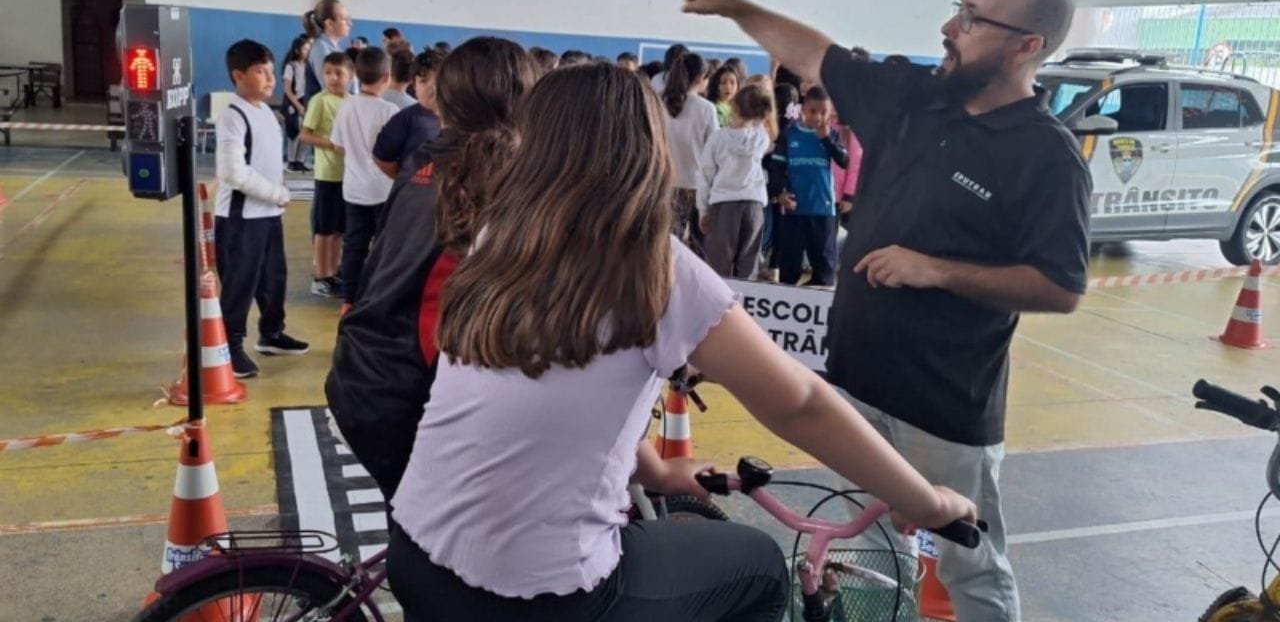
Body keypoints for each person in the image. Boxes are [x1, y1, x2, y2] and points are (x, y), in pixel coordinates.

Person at [386, 62, 977, 621]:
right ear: (647, 151)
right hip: (542, 595)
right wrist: (926, 501)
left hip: (416, 556)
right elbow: (800, 403)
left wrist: (661, 472)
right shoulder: (654, 266)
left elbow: (561, 390)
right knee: (759, 567)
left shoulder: (499, 233)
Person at [672, 0, 1089, 621]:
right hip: (856, 386)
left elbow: (1061, 286)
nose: (950, 27)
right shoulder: (914, 97)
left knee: (972, 563)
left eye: (973, 19)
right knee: (868, 553)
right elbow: (816, 54)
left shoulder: (1046, 157)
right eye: (959, 7)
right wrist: (736, 7)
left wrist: (937, 270)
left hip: (944, 406)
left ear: (1027, 45)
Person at [327, 36, 537, 501]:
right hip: (403, 392)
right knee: (439, 529)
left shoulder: (424, 162)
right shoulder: (497, 184)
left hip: (360, 370)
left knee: (414, 520)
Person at [213, 40, 310, 378]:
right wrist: (275, 193)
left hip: (268, 216)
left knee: (273, 280)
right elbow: (232, 173)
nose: (270, 79)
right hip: (240, 219)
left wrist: (275, 197)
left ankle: (271, 333)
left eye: (271, 71)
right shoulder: (233, 114)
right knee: (240, 284)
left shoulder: (266, 112)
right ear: (238, 76)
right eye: (260, 72)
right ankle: (230, 346)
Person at [332, 47, 399, 305]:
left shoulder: (346, 105)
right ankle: (378, 298)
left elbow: (338, 146)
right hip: (383, 190)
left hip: (353, 190)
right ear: (387, 76)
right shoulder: (389, 110)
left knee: (354, 246)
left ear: (356, 75)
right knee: (384, 246)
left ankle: (349, 300)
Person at [697, 84, 772, 279]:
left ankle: (718, 299)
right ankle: (744, 297)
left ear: (734, 107)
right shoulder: (761, 138)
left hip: (723, 205)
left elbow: (705, 175)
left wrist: (703, 209)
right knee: (749, 263)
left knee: (718, 264)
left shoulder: (717, 138)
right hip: (754, 205)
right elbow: (763, 125)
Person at [776, 86, 847, 286]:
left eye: (823, 112)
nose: (818, 117)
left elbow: (844, 161)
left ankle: (818, 298)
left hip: (823, 209)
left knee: (824, 267)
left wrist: (826, 139)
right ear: (803, 110)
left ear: (830, 113)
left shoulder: (832, 135)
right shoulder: (789, 134)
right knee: (789, 266)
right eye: (813, 111)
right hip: (794, 209)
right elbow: (777, 168)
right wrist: (779, 194)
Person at [300, 52, 353, 298]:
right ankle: (321, 276)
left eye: (339, 73)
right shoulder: (319, 101)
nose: (333, 78)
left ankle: (334, 270)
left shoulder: (352, 101)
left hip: (348, 175)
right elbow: (306, 134)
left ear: (351, 76)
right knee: (324, 229)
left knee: (339, 229)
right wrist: (332, 145)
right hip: (328, 175)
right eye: (328, 73)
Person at [661, 51, 718, 254]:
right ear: (701, 78)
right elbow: (714, 151)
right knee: (698, 247)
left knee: (667, 244)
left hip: (666, 185)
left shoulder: (660, 103)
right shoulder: (706, 109)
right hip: (697, 186)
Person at [373, 49, 444, 179]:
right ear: (414, 86)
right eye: (423, 81)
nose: (432, 87)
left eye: (438, 80)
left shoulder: (458, 118)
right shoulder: (404, 119)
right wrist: (403, 180)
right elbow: (382, 158)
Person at [760, 82, 798, 283]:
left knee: (772, 226)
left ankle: (768, 264)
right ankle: (775, 267)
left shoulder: (772, 127)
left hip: (772, 185)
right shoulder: (797, 127)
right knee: (783, 228)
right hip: (791, 185)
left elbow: (766, 159)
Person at [302, 0, 352, 98]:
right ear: (329, 23)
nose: (350, 24)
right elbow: (329, 88)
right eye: (345, 19)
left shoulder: (336, 48)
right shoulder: (321, 49)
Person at [280, 34, 313, 172]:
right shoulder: (291, 66)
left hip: (307, 100)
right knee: (294, 132)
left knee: (307, 131)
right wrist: (298, 105)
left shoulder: (309, 66)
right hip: (294, 101)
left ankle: (300, 160)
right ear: (297, 50)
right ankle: (291, 161)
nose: (307, 51)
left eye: (309, 49)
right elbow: (287, 89)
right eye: (305, 49)